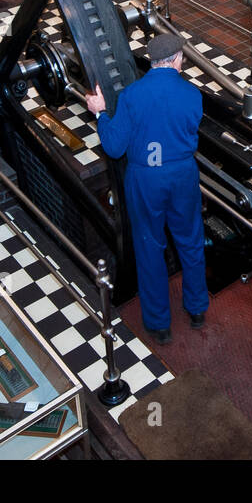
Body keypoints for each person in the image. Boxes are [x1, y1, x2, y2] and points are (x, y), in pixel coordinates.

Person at [85, 33, 209, 345]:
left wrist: (100, 112)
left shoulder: (132, 96)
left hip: (145, 179)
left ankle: (159, 325)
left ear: (151, 61)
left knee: (150, 247)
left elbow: (114, 147)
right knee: (191, 242)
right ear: (178, 58)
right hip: (182, 175)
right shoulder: (193, 95)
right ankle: (196, 310)